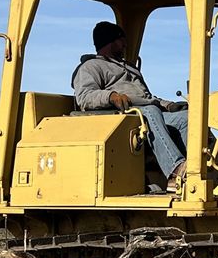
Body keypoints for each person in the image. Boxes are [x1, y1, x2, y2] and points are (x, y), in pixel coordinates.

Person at [71, 20, 188, 191]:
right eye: (121, 40)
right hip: (123, 115)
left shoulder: (130, 69)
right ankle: (175, 171)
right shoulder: (90, 67)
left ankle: (193, 172)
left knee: (186, 118)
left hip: (148, 110)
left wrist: (168, 104)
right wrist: (111, 96)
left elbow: (146, 97)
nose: (125, 44)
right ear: (110, 41)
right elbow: (85, 97)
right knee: (151, 112)